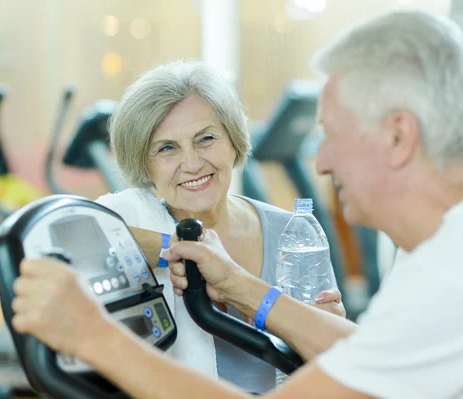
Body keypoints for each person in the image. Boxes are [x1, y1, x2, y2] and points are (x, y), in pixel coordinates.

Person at [11, 9, 463, 398]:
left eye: (332, 136)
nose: (324, 162)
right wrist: (241, 287)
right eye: (167, 148)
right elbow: (363, 351)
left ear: (399, 137)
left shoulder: (453, 283)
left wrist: (96, 338)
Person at [91, 60, 344, 393]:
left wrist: (324, 325)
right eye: (167, 148)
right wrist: (180, 251)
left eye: (205, 139)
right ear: (143, 162)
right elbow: (74, 244)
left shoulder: (294, 234)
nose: (193, 163)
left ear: (232, 140)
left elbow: (342, 366)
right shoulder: (133, 223)